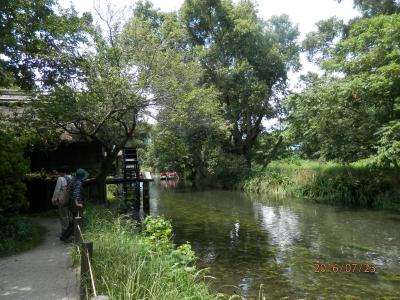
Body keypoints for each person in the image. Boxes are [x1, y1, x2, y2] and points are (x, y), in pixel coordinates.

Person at [60, 168, 89, 242]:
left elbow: (66, 178)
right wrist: (77, 204)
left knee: (73, 220)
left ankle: (67, 236)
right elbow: (76, 194)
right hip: (74, 205)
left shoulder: (73, 179)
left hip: (70, 204)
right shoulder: (78, 182)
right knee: (75, 222)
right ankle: (65, 237)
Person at [51, 167, 72, 236]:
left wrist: (54, 199)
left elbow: (57, 190)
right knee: (69, 215)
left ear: (62, 172)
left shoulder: (61, 179)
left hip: (62, 199)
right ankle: (71, 231)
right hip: (70, 200)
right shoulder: (72, 178)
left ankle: (65, 232)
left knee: (63, 215)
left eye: (59, 172)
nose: (59, 174)